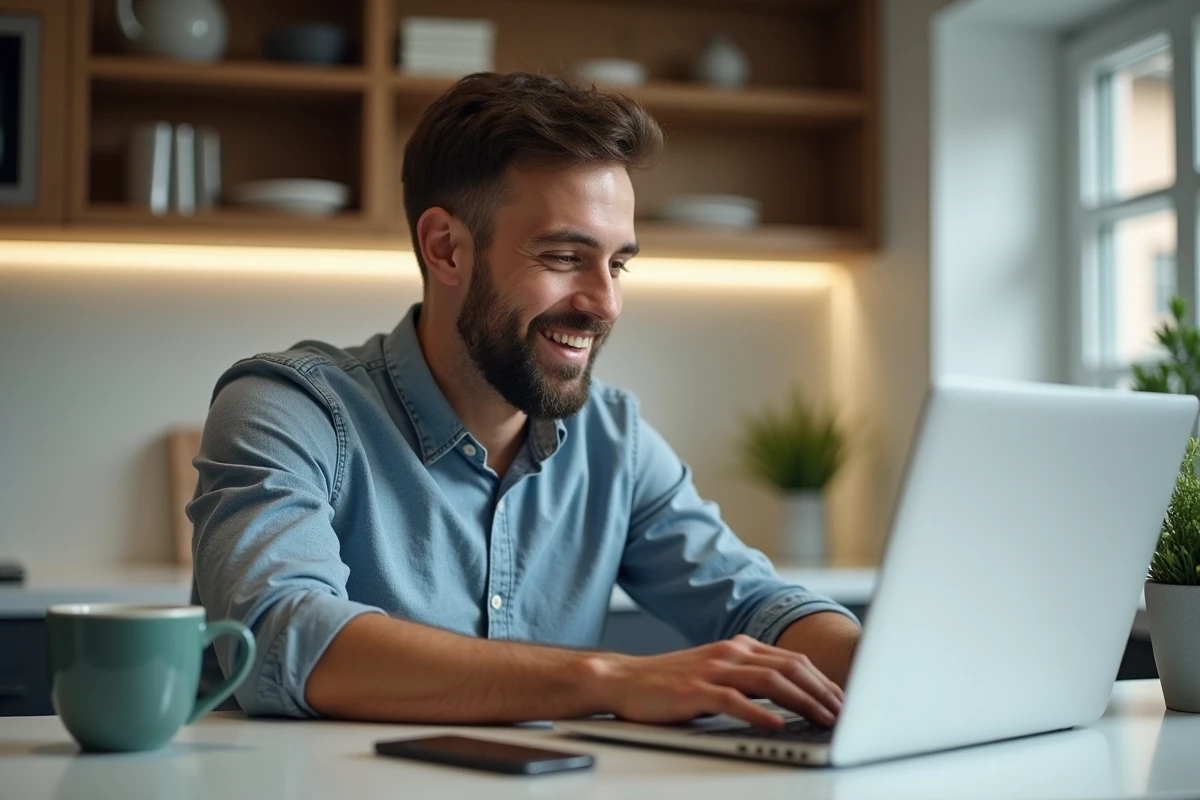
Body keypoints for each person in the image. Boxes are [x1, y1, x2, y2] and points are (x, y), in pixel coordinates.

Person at [191, 71, 861, 729]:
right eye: (566, 256)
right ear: (446, 248)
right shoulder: (289, 409)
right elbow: (285, 636)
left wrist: (877, 663)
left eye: (618, 263)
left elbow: (757, 605)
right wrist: (610, 678)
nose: (605, 303)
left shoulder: (613, 438)